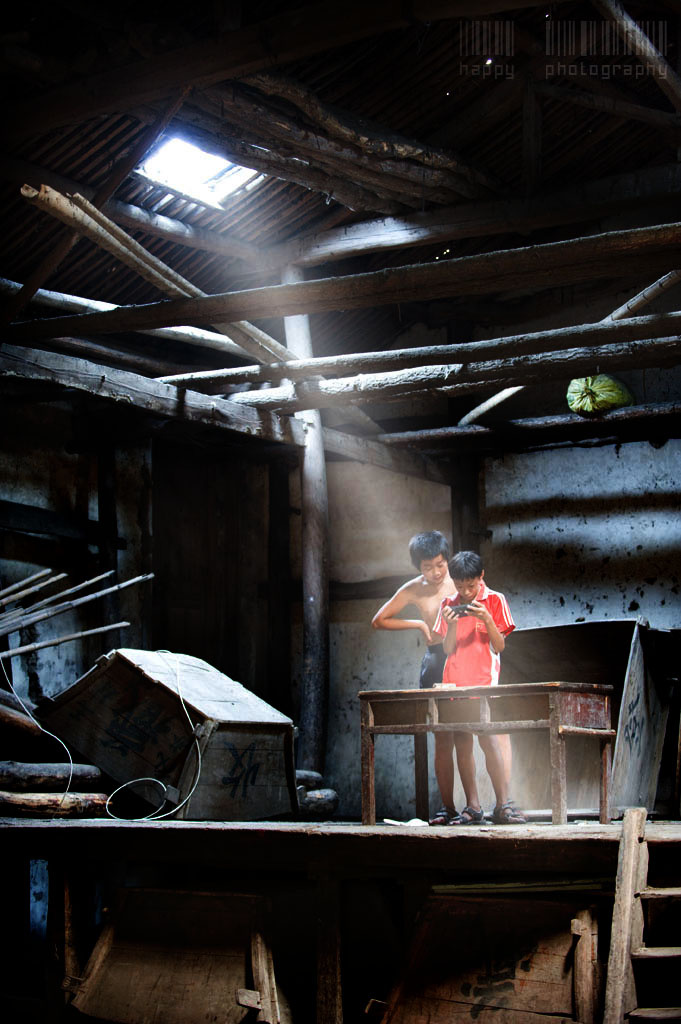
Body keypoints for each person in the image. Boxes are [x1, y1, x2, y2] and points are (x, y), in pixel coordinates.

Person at [372, 531, 472, 824]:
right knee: (442, 738)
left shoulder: (460, 581)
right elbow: (378, 620)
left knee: (466, 735)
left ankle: (472, 809)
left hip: (463, 660)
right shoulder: (414, 588)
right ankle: (447, 808)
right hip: (435, 662)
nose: (436, 572)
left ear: (447, 559)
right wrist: (417, 623)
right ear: (418, 566)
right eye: (427, 567)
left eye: (440, 564)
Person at [431, 550, 526, 825]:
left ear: (481, 577)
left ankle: (502, 804)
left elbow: (500, 646)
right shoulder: (448, 603)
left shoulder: (495, 600)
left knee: (489, 740)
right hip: (455, 683)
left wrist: (486, 618)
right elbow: (447, 649)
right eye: (460, 586)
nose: (466, 592)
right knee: (462, 742)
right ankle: (472, 806)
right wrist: (450, 626)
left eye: (470, 585)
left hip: (484, 682)